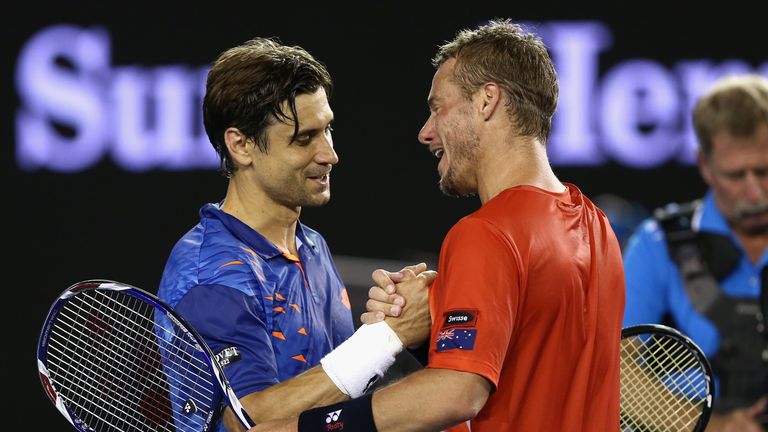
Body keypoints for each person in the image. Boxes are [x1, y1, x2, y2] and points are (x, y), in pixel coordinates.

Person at [252, 18, 626, 432]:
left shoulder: (486, 233)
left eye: (437, 108)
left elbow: (458, 392)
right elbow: (536, 368)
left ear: (487, 101)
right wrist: (435, 323)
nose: (425, 132)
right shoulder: (595, 225)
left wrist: (307, 428)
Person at [157, 37, 433, 432]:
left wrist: (396, 326)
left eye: (328, 130)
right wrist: (387, 338)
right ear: (241, 145)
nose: (329, 154)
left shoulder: (312, 246)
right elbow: (250, 420)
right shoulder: (213, 275)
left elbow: (338, 392)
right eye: (304, 138)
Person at [622, 74, 768, 431]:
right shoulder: (656, 245)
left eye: (765, 171)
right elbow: (614, 372)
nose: (755, 193)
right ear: (704, 165)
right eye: (736, 176)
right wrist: (713, 426)